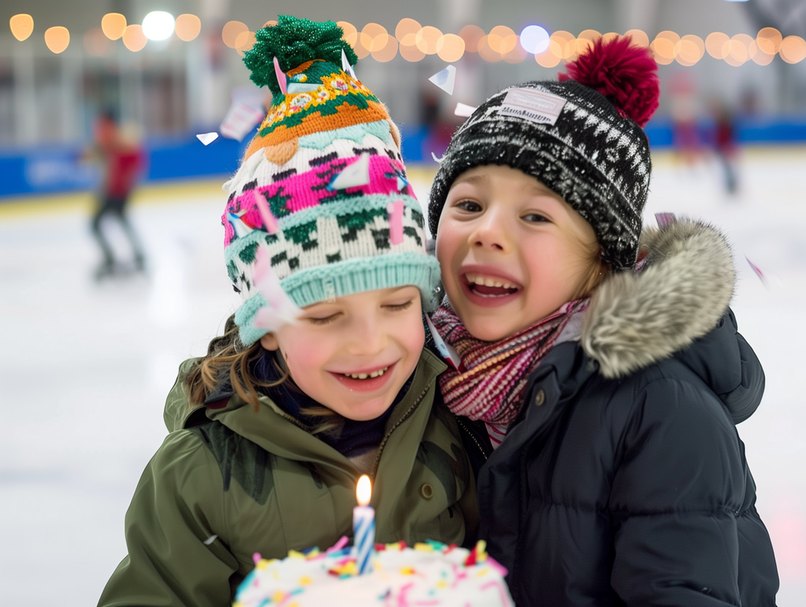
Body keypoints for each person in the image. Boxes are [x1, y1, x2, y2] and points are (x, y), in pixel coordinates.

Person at [98, 17, 476, 606]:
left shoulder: (455, 417)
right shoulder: (200, 477)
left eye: (398, 304)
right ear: (267, 329)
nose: (372, 343)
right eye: (326, 317)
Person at [426, 37, 779, 606]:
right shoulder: (422, 374)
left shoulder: (659, 411)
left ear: (601, 260)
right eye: (467, 205)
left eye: (535, 215)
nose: (486, 231)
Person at [86, 109, 147, 279]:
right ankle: (137, 255)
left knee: (97, 224)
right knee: (119, 221)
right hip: (114, 190)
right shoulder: (113, 139)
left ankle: (112, 258)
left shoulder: (116, 138)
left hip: (116, 191)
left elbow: (132, 159)